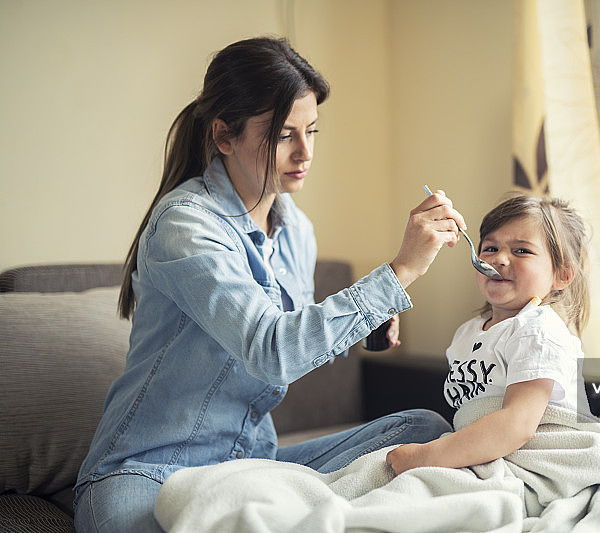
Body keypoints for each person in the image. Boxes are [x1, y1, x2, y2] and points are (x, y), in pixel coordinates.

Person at [74, 36, 464, 533]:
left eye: (312, 130)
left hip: (251, 470)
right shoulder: (186, 226)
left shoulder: (294, 226)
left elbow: (292, 333)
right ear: (224, 136)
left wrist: (365, 323)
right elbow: (271, 350)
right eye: (283, 135)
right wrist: (401, 271)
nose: (305, 152)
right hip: (150, 472)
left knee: (424, 431)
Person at [386, 194, 591, 475]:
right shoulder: (466, 333)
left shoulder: (538, 329)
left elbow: (517, 424)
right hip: (485, 455)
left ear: (562, 275)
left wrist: (424, 456)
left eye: (521, 251)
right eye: (490, 248)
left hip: (539, 459)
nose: (500, 259)